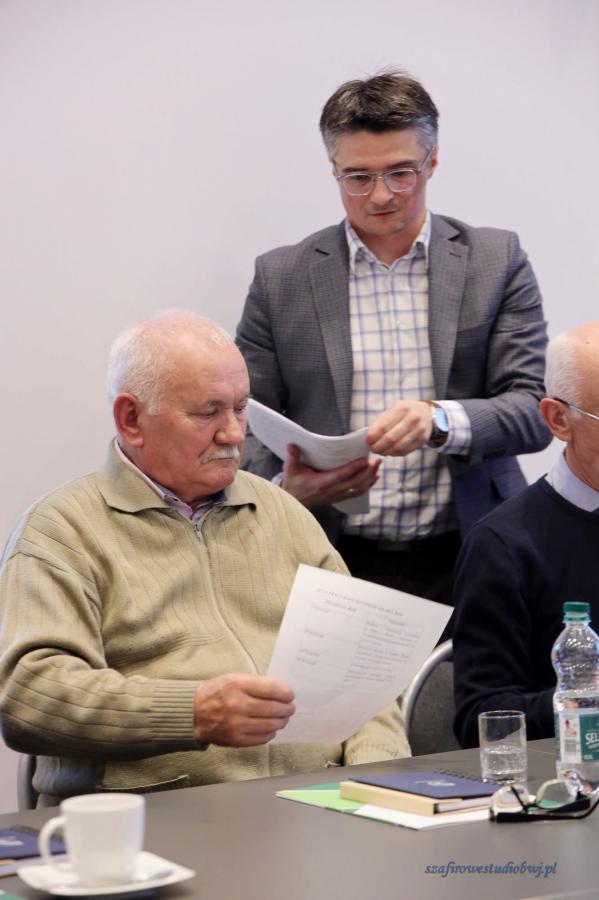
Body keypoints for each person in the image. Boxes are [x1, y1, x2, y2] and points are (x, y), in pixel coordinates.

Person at [0, 311, 407, 805]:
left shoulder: (284, 514)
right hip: (155, 820)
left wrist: (374, 787)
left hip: (319, 808)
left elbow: (365, 677)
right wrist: (193, 713)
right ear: (131, 419)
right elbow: (29, 696)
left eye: (240, 408)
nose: (233, 434)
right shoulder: (62, 531)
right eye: (207, 412)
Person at [236, 70, 550, 618]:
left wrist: (439, 420)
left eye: (401, 173)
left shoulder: (495, 261)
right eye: (358, 177)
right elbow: (241, 419)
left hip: (472, 548)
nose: (380, 195)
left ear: (433, 161)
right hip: (329, 554)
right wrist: (286, 488)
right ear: (333, 169)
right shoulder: (281, 277)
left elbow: (533, 410)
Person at [453, 322, 599, 748]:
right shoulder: (503, 547)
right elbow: (481, 720)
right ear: (559, 420)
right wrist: (584, 704)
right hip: (567, 775)